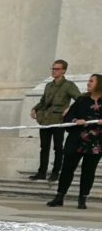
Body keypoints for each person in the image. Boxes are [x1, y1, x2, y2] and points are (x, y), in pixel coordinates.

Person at [47, 73, 102, 210]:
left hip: (96, 143)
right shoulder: (82, 100)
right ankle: (60, 196)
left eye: (91, 81)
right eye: (88, 81)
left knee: (89, 171)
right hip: (77, 140)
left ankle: (82, 198)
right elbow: (68, 117)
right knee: (67, 169)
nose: (88, 83)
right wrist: (75, 121)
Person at [30, 59, 80, 181]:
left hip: (58, 120)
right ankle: (41, 172)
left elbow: (79, 99)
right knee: (44, 147)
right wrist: (34, 109)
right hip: (45, 120)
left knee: (58, 147)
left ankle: (55, 172)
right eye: (52, 68)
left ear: (63, 71)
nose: (54, 71)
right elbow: (43, 101)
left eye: (57, 69)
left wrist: (69, 108)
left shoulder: (69, 85)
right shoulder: (49, 86)